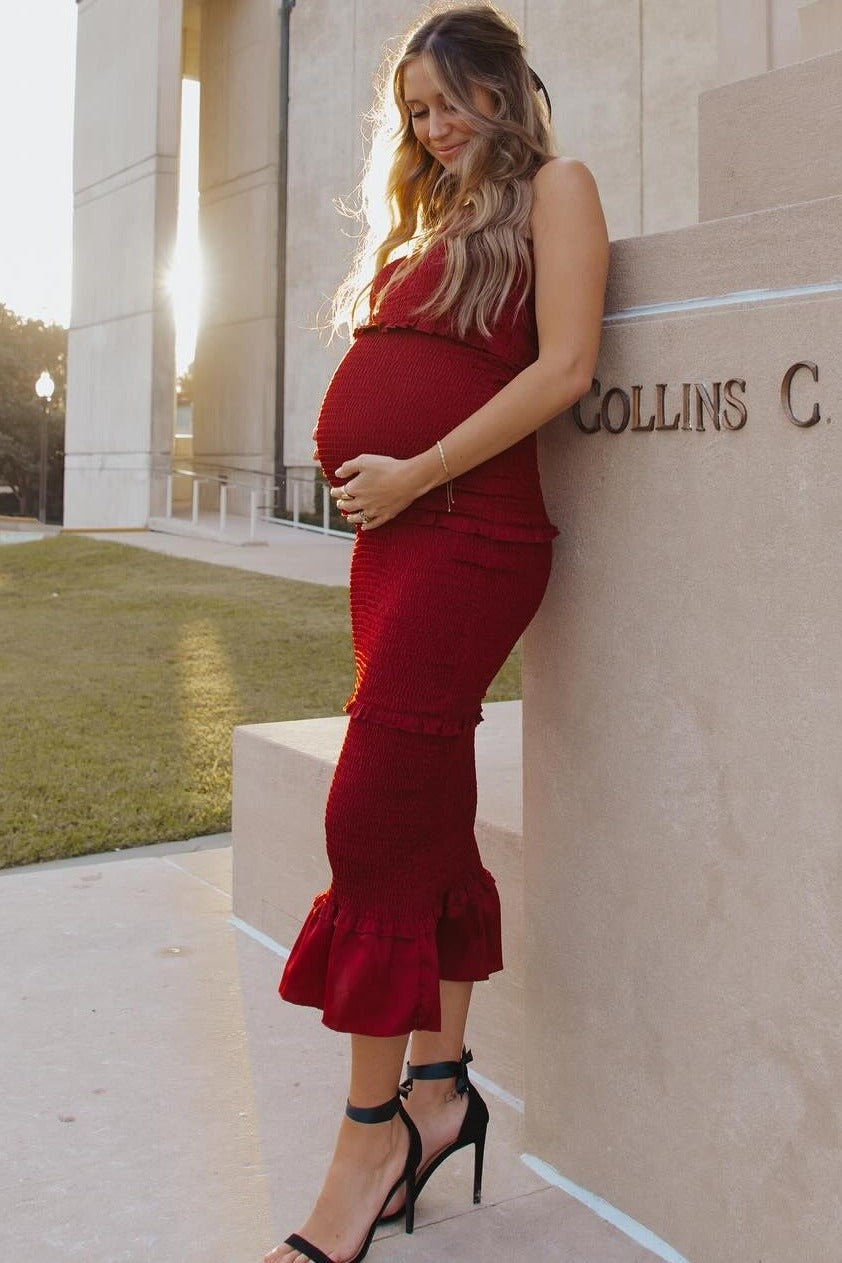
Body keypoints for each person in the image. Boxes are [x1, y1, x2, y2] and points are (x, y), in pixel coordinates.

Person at [266, 5, 608, 1261]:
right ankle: (440, 1091)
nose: (435, 122)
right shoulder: (431, 222)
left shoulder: (554, 191)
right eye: (414, 108)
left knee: (366, 811)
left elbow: (562, 368)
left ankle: (367, 1146)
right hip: (395, 544)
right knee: (423, 807)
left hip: (469, 536)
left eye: (452, 95)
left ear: (506, 88)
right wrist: (382, 490)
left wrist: (413, 473)